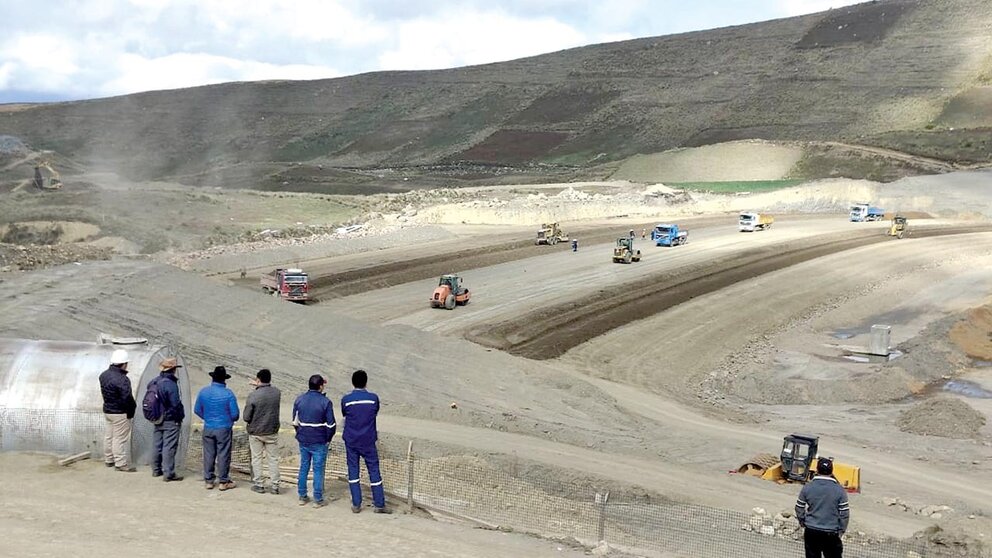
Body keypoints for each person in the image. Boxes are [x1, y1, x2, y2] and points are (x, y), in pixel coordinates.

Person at [341, 369, 390, 514]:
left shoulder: (346, 400)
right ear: (366, 382)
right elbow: (374, 412)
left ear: (353, 382)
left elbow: (345, 414)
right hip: (368, 440)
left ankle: (356, 504)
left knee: (353, 470)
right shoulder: (373, 399)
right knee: (374, 470)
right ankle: (379, 504)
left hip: (351, 440)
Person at [293, 374, 336, 508]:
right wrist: (328, 439)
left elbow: (295, 421)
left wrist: (300, 433)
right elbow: (331, 425)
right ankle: (318, 499)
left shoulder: (299, 400)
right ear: (320, 386)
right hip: (319, 440)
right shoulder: (326, 402)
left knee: (304, 466)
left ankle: (302, 496)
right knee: (318, 469)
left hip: (304, 439)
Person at [194, 366, 240, 490]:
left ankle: (209, 480)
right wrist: (228, 420)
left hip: (209, 427)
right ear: (224, 379)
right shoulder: (228, 394)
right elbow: (235, 415)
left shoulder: (204, 391)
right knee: (223, 454)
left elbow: (197, 410)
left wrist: (208, 418)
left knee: (208, 454)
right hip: (224, 428)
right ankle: (223, 481)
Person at [795, 457, 850, 558]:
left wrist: (803, 522)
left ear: (817, 470)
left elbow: (799, 507)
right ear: (832, 471)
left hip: (811, 531)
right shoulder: (839, 490)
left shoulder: (808, 487)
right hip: (831, 532)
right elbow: (845, 514)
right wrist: (841, 530)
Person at [244, 368, 282, 495]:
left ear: (258, 380)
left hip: (256, 431)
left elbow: (246, 417)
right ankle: (275, 485)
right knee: (273, 459)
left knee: (257, 458)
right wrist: (259, 385)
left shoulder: (253, 395)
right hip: (271, 430)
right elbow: (267, 392)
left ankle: (259, 484)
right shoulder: (277, 393)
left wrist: (257, 387)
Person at [99, 349, 137, 472]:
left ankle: (109, 459)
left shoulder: (103, 375)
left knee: (109, 436)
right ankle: (120, 463)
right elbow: (127, 398)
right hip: (120, 413)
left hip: (108, 411)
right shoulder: (122, 379)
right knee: (119, 438)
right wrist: (131, 411)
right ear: (124, 363)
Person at [153, 357, 186, 482]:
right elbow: (175, 404)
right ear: (173, 369)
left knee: (157, 444)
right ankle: (169, 473)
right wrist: (179, 417)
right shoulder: (170, 384)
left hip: (157, 417)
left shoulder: (155, 381)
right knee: (169, 446)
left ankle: (156, 470)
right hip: (170, 419)